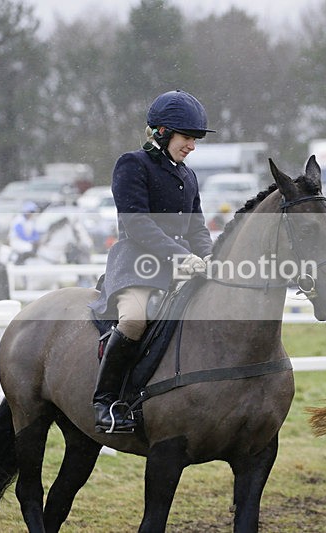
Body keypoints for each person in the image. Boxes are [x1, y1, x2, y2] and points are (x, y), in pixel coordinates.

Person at [88, 89, 215, 433]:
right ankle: (106, 402)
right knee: (132, 321)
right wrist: (181, 256)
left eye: (195, 139)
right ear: (162, 132)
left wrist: (210, 259)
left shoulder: (187, 176)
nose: (192, 145)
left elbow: (198, 227)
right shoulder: (133, 164)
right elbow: (136, 222)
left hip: (180, 268)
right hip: (136, 266)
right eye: (187, 137)